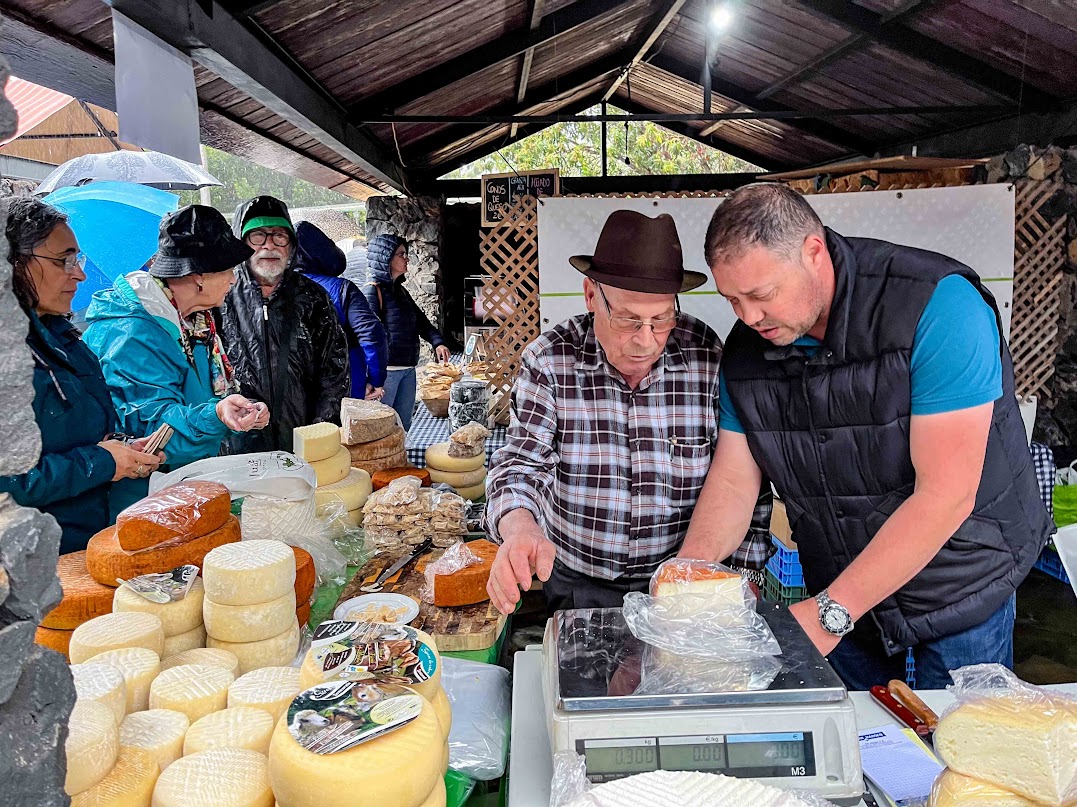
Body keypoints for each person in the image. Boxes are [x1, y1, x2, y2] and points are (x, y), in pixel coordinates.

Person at [683, 183, 1053, 690]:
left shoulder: (939, 306)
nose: (747, 317)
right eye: (732, 300)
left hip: (961, 580)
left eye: (762, 295)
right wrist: (688, 574)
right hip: (842, 577)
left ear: (813, 252)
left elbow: (946, 495)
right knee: (857, 734)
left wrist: (830, 613)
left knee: (957, 731)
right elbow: (732, 482)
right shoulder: (747, 350)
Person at [484, 210, 772, 615]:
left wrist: (747, 571)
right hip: (580, 581)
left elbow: (744, 473)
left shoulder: (706, 355)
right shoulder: (549, 361)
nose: (645, 341)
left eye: (661, 319)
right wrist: (520, 529)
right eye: (627, 319)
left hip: (681, 581)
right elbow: (520, 464)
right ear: (591, 295)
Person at [84, 205, 271, 515]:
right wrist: (216, 415)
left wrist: (235, 410)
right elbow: (153, 430)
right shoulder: (132, 333)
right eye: (227, 270)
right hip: (141, 502)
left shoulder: (193, 321)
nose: (233, 280)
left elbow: (201, 399)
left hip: (179, 485)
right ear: (198, 276)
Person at [0, 198, 163, 552]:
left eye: (78, 260)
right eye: (64, 261)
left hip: (86, 542)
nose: (80, 274)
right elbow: (9, 480)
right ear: (14, 262)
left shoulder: (62, 336)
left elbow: (74, 433)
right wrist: (102, 462)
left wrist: (120, 448)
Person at [217, 196, 349, 452]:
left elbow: (334, 373)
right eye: (257, 236)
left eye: (279, 236)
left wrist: (320, 433)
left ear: (291, 246)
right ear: (242, 243)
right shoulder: (221, 298)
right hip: (237, 440)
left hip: (302, 439)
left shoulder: (313, 298)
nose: (269, 245)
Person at [363, 234, 451, 431]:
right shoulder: (372, 292)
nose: (407, 259)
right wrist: (374, 378)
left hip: (407, 369)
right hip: (387, 373)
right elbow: (368, 337)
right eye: (401, 254)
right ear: (386, 258)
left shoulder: (402, 292)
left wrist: (438, 342)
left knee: (404, 425)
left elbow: (421, 322)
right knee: (382, 428)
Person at [294, 221, 388, 401]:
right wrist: (376, 379)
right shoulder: (342, 289)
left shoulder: (277, 293)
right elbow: (371, 333)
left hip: (297, 392)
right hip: (347, 385)